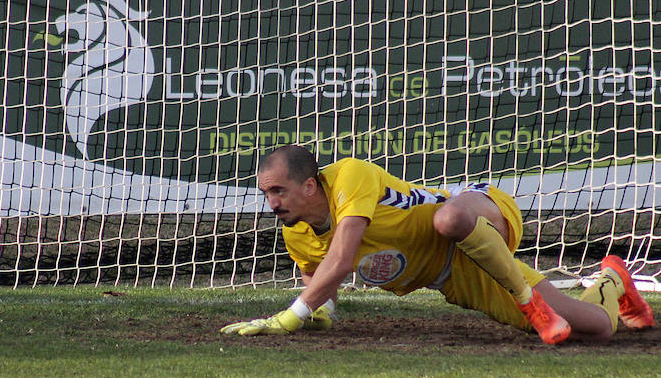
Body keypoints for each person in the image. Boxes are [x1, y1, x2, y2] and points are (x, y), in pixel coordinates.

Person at [221, 145, 656, 345]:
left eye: (278, 191)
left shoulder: (348, 176)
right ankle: (613, 278)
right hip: (453, 274)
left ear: (312, 186)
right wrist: (321, 311)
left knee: (449, 218)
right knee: (597, 328)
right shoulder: (295, 231)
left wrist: (291, 316)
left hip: (480, 216)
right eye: (265, 194)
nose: (271, 203)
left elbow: (340, 259)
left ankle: (528, 299)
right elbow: (318, 276)